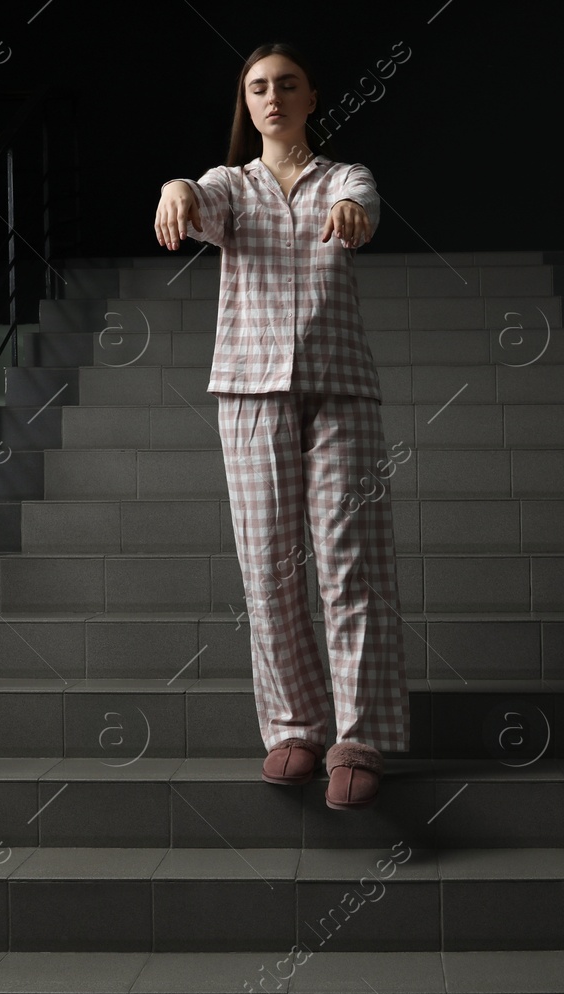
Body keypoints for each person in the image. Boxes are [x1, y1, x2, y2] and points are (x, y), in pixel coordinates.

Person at [154, 42, 409, 811]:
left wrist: (349, 215)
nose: (272, 97)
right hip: (249, 390)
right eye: (258, 87)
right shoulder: (232, 185)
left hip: (339, 388)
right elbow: (201, 201)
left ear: (310, 97)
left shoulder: (344, 177)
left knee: (349, 563)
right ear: (248, 101)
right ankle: (294, 727)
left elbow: (361, 212)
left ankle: (357, 737)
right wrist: (176, 189)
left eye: (286, 85)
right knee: (268, 567)